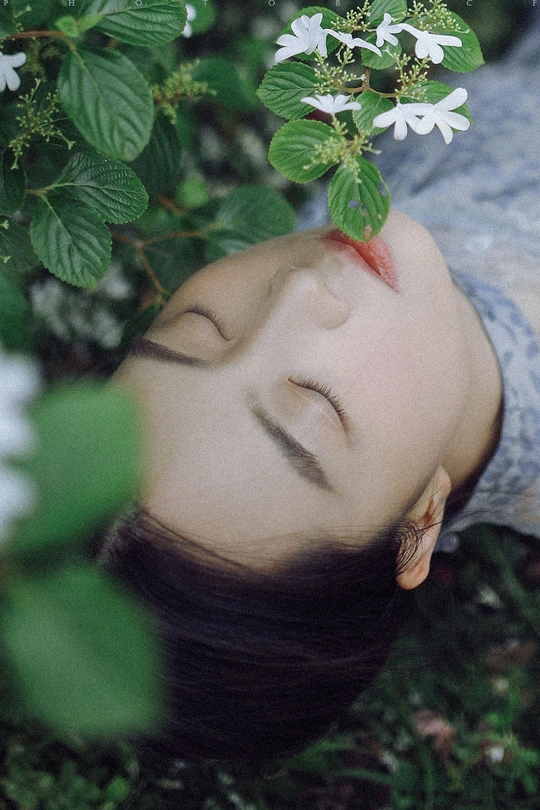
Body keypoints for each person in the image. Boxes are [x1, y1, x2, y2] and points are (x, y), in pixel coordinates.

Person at [99, 9, 540, 762]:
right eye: (313, 405)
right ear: (419, 524)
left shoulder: (364, 245)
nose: (297, 291)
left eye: (202, 326)